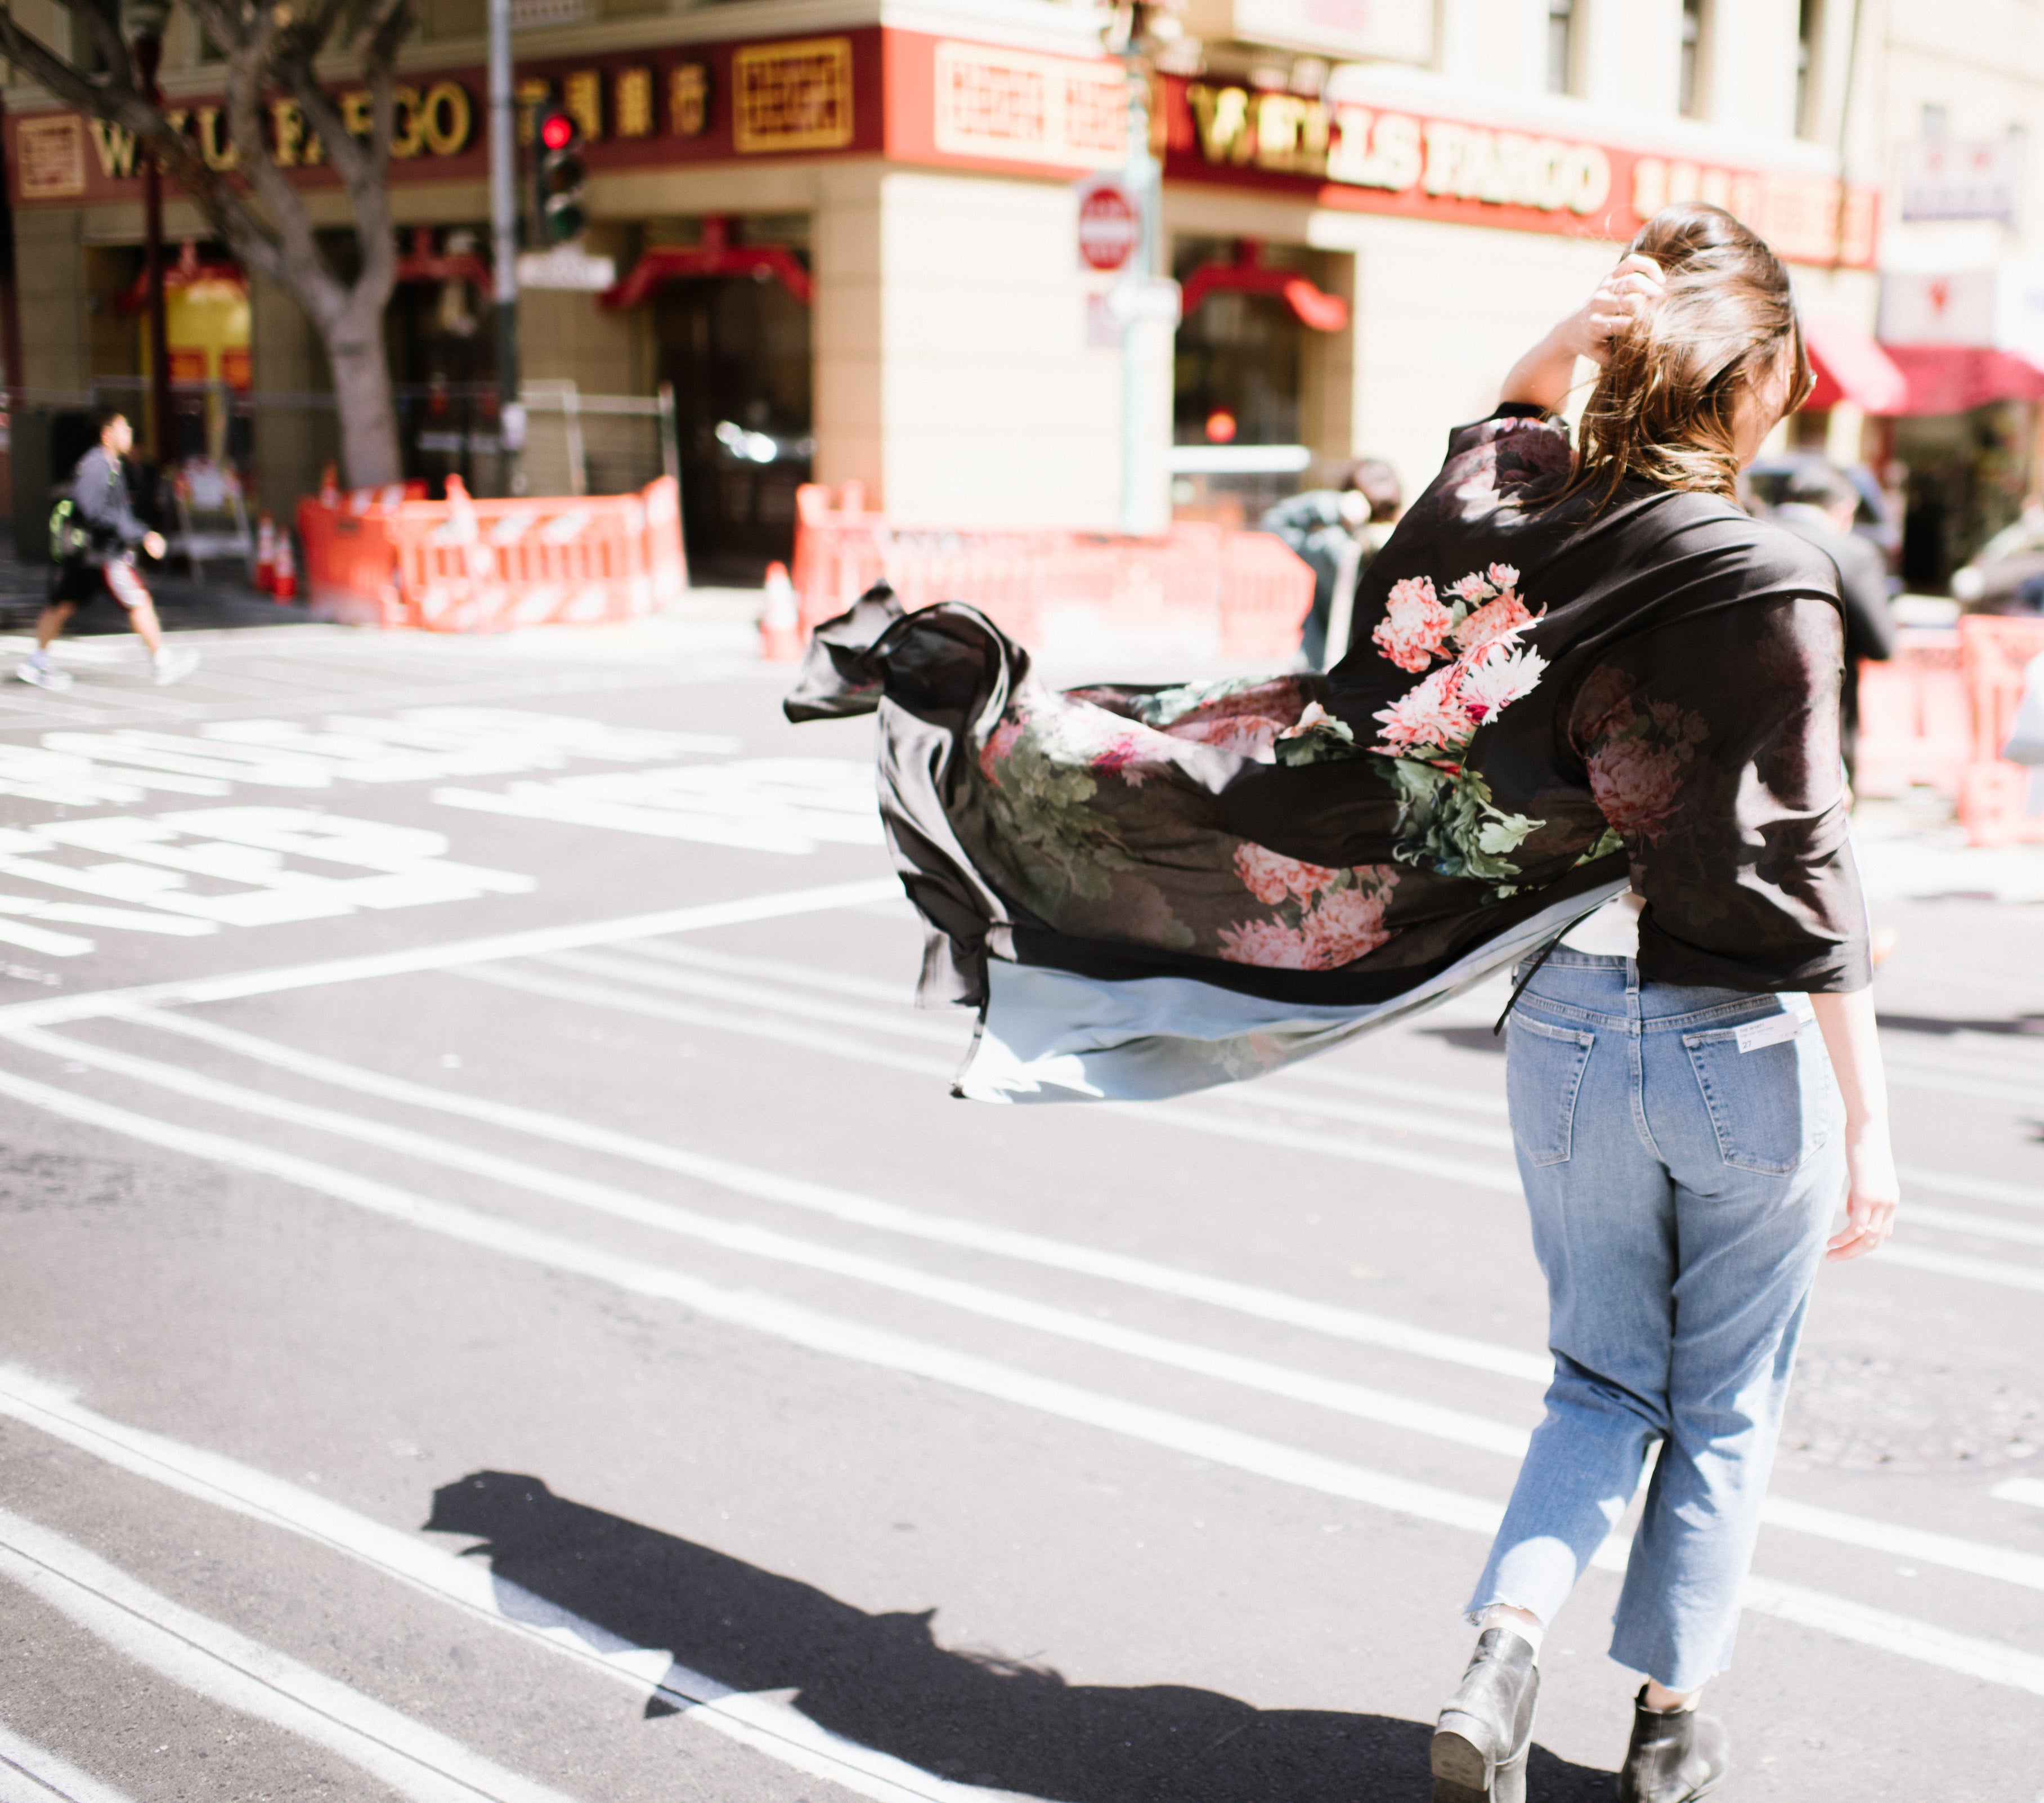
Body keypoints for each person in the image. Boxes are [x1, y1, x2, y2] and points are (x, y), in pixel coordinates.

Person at [785, 204, 1896, 1803]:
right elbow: (1803, 855)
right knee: (1723, 1401)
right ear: (1767, 373)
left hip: (1568, 1026)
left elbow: (1513, 412)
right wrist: (1872, 1116)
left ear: (1634, 352)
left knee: (1598, 1377)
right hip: (1731, 1040)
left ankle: (1503, 1648)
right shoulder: (1762, 569)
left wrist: (1583, 333)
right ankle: (1666, 1727)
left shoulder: (1518, 514)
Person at [16, 409, 198, 692]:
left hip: (94, 554)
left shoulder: (111, 465)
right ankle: (161, 661)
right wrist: (140, 534)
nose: (129, 435)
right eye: (124, 429)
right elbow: (91, 508)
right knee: (138, 599)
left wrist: (139, 533)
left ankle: (37, 660)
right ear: (107, 434)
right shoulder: (98, 465)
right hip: (103, 554)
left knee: (63, 604)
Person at [1761, 457, 1894, 782]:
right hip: (1821, 722)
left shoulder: (1752, 537)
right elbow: (1882, 646)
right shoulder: (1853, 554)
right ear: (1846, 508)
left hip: (1744, 719)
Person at [1263, 457, 1402, 670]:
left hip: (1355, 670)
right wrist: (1335, 506)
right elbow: (1276, 520)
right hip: (1341, 667)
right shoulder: (1338, 550)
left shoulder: (1393, 549)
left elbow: (1277, 520)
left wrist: (1331, 506)